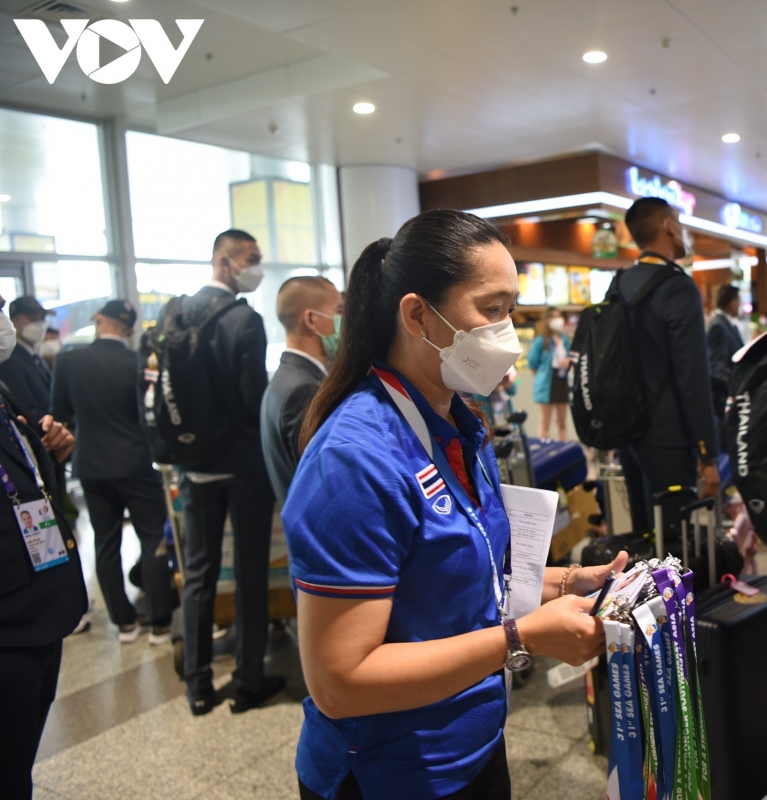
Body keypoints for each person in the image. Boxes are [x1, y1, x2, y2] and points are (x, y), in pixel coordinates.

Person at [284, 209, 626, 800]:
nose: (508, 334)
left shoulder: (458, 422)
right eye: (491, 310)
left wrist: (567, 582)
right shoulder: (354, 460)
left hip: (474, 744)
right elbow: (341, 680)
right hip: (391, 774)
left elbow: (465, 576)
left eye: (511, 311)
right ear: (418, 315)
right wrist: (523, 638)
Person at [177, 229, 283, 716]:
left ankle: (197, 685)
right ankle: (246, 680)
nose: (256, 267)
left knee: (197, 572)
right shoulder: (245, 320)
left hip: (193, 466)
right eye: (252, 258)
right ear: (226, 260)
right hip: (241, 466)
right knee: (249, 570)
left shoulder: (175, 313)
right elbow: (251, 399)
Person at [50, 299, 173, 644]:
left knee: (105, 543)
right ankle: (160, 623)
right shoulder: (138, 363)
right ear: (132, 329)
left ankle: (125, 623)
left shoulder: (68, 361)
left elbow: (60, 415)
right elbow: (153, 414)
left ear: (97, 318)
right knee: (152, 540)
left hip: (91, 465)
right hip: (136, 462)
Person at [0, 294, 83, 800]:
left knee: (19, 761)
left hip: (39, 607)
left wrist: (50, 450)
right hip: (8, 623)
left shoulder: (4, 388)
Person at [617, 197, 720, 539]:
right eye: (678, 220)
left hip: (629, 435)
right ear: (667, 226)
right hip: (670, 438)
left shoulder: (618, 284)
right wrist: (708, 453)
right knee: (673, 546)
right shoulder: (677, 286)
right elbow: (692, 379)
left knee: (644, 535)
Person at [261, 276, 342, 503]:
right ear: (312, 320)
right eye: (340, 311)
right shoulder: (303, 389)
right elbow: (323, 480)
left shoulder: (286, 378)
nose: (344, 321)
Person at [0, 296, 53, 422]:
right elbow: (26, 408)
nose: (40, 324)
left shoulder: (35, 355)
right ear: (15, 321)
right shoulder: (9, 360)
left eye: (42, 318)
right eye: (33, 318)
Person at [525, 307, 570, 440]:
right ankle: (544, 450)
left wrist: (568, 362)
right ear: (547, 320)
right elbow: (532, 364)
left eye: (559, 316)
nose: (558, 320)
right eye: (554, 316)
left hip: (562, 381)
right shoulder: (540, 341)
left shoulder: (565, 340)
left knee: (562, 423)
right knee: (545, 422)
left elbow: (571, 357)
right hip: (547, 383)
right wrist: (541, 378)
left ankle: (564, 452)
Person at [706, 284, 744, 418]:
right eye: (739, 300)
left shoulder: (728, 324)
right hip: (726, 400)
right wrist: (737, 386)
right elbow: (717, 366)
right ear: (733, 303)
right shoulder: (718, 326)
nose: (740, 304)